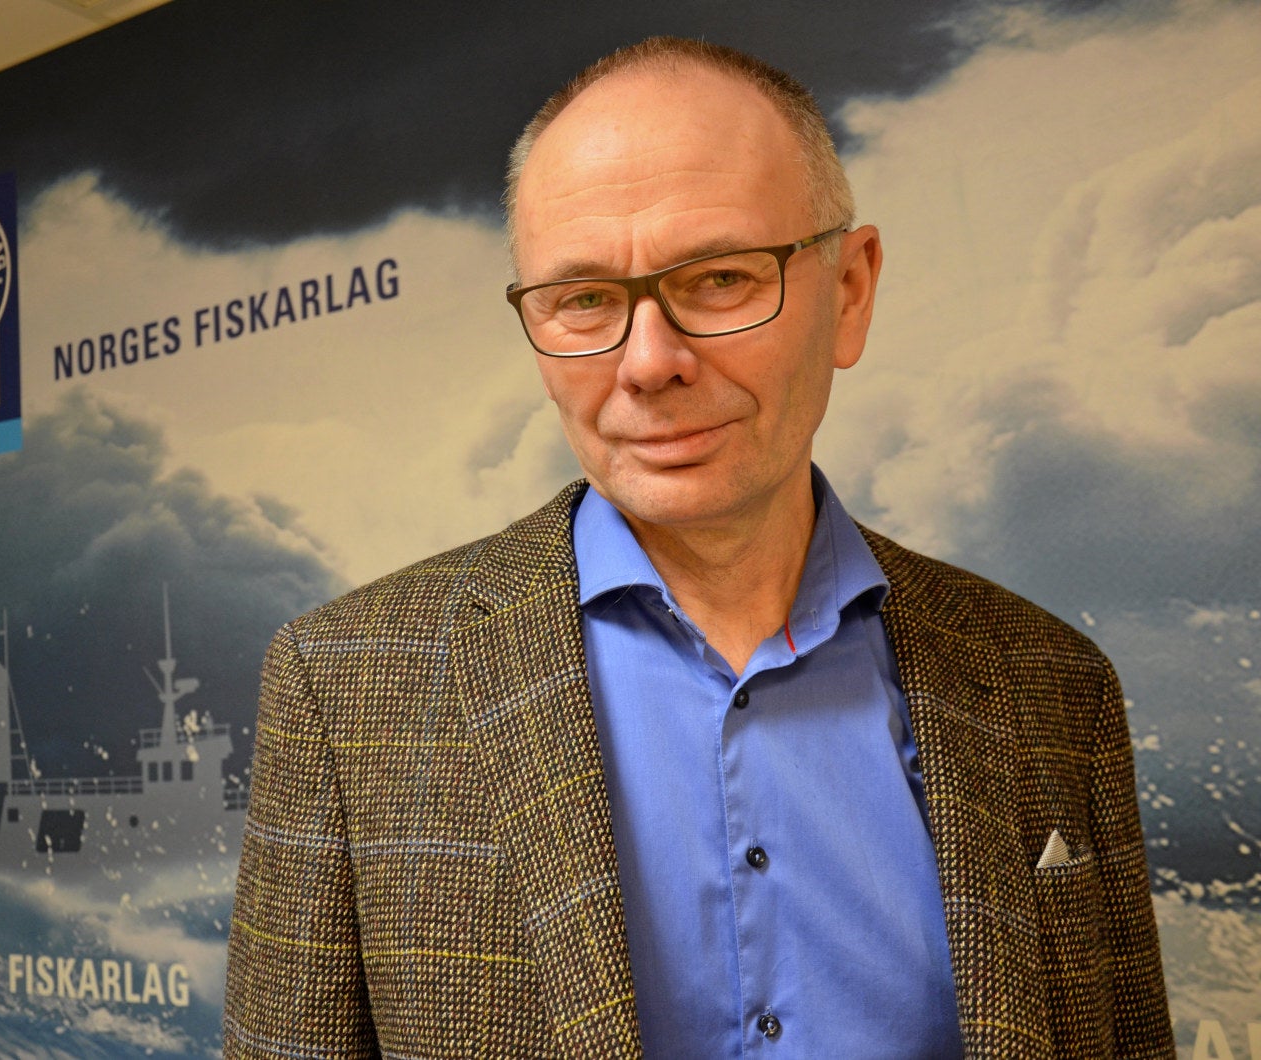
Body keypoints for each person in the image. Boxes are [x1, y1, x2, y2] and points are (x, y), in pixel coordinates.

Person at [224, 36, 1173, 1059]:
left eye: (719, 278)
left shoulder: (1050, 683)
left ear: (850, 291)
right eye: (584, 299)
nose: (648, 363)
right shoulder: (347, 686)